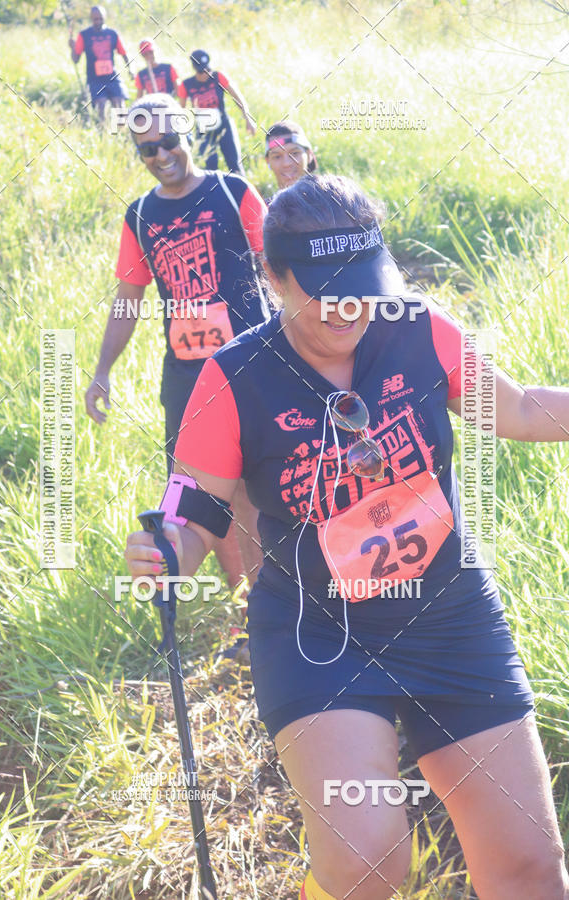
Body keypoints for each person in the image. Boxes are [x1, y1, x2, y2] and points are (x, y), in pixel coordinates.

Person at [125, 174, 569, 899]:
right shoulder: (233, 376)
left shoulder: (419, 329)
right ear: (274, 277)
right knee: (367, 860)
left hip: (450, 617)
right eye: (325, 291)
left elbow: (516, 410)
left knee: (531, 866)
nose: (349, 308)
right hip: (318, 634)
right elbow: (192, 505)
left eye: (362, 287)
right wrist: (167, 549)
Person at [86, 94, 266, 612]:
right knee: (205, 500)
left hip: (252, 366)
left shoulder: (233, 192)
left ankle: (279, 604)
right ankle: (248, 610)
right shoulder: (140, 215)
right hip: (188, 379)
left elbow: (280, 269)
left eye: (168, 141)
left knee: (258, 490)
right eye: (148, 149)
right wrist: (102, 370)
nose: (161, 155)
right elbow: (128, 300)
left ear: (187, 133)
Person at [177, 49, 255, 175]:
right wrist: (183, 133)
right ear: (195, 69)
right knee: (210, 168)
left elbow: (237, 98)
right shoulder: (186, 85)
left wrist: (248, 119)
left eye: (207, 69)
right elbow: (181, 111)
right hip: (204, 130)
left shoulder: (218, 77)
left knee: (234, 164)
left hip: (224, 125)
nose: (206, 74)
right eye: (201, 71)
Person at [69, 5, 133, 122]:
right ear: (91, 18)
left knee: (120, 104)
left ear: (105, 17)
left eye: (100, 18)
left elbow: (124, 53)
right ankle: (102, 130)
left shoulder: (112, 34)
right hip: (94, 79)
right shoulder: (84, 35)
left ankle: (121, 129)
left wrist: (130, 70)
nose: (98, 21)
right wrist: (73, 48)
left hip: (112, 77)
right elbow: (75, 60)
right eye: (95, 19)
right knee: (101, 107)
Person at [265, 120, 317, 194]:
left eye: (294, 153)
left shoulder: (329, 197)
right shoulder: (261, 201)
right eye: (277, 157)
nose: (287, 164)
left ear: (309, 155)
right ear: (268, 161)